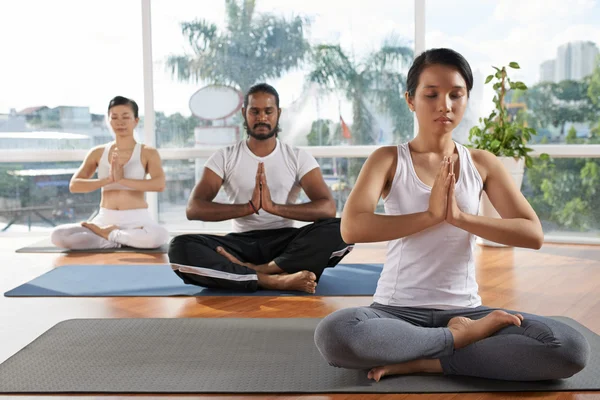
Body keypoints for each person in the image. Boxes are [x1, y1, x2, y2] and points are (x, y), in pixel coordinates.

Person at [314, 49, 590, 382]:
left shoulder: (482, 163)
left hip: (468, 312)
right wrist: (431, 215)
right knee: (335, 333)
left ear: (466, 99)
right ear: (411, 100)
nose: (444, 104)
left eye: (455, 95)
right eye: (431, 94)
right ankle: (457, 342)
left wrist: (459, 217)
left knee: (569, 347)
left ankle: (430, 359)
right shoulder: (387, 159)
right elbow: (352, 226)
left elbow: (532, 233)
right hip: (394, 311)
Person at [168, 83, 353, 293]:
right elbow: (194, 209)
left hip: (287, 245)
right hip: (240, 245)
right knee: (179, 247)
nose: (262, 117)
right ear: (244, 113)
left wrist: (274, 208)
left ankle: (257, 271)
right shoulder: (224, 157)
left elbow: (327, 208)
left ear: (278, 113)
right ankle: (273, 280)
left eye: (268, 111)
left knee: (341, 228)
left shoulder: (298, 157)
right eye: (254, 111)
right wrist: (248, 207)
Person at [50, 96, 169, 250]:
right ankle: (117, 238)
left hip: (138, 220)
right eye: (114, 117)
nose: (120, 122)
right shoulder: (97, 152)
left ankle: (110, 236)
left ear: (136, 121)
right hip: (104, 219)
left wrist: (122, 180)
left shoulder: (148, 152)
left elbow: (159, 184)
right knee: (58, 235)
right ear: (109, 121)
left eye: (126, 117)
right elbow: (75, 185)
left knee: (159, 236)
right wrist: (108, 180)